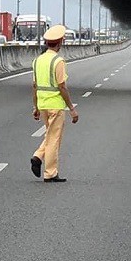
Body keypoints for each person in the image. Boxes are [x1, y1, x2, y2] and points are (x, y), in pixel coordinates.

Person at [31, 25, 79, 182]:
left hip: (43, 104)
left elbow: (35, 85)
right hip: (56, 106)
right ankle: (50, 173)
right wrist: (71, 108)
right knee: (53, 139)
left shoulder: (37, 60)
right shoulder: (58, 61)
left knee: (50, 135)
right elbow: (62, 86)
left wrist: (36, 107)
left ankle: (38, 157)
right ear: (59, 43)